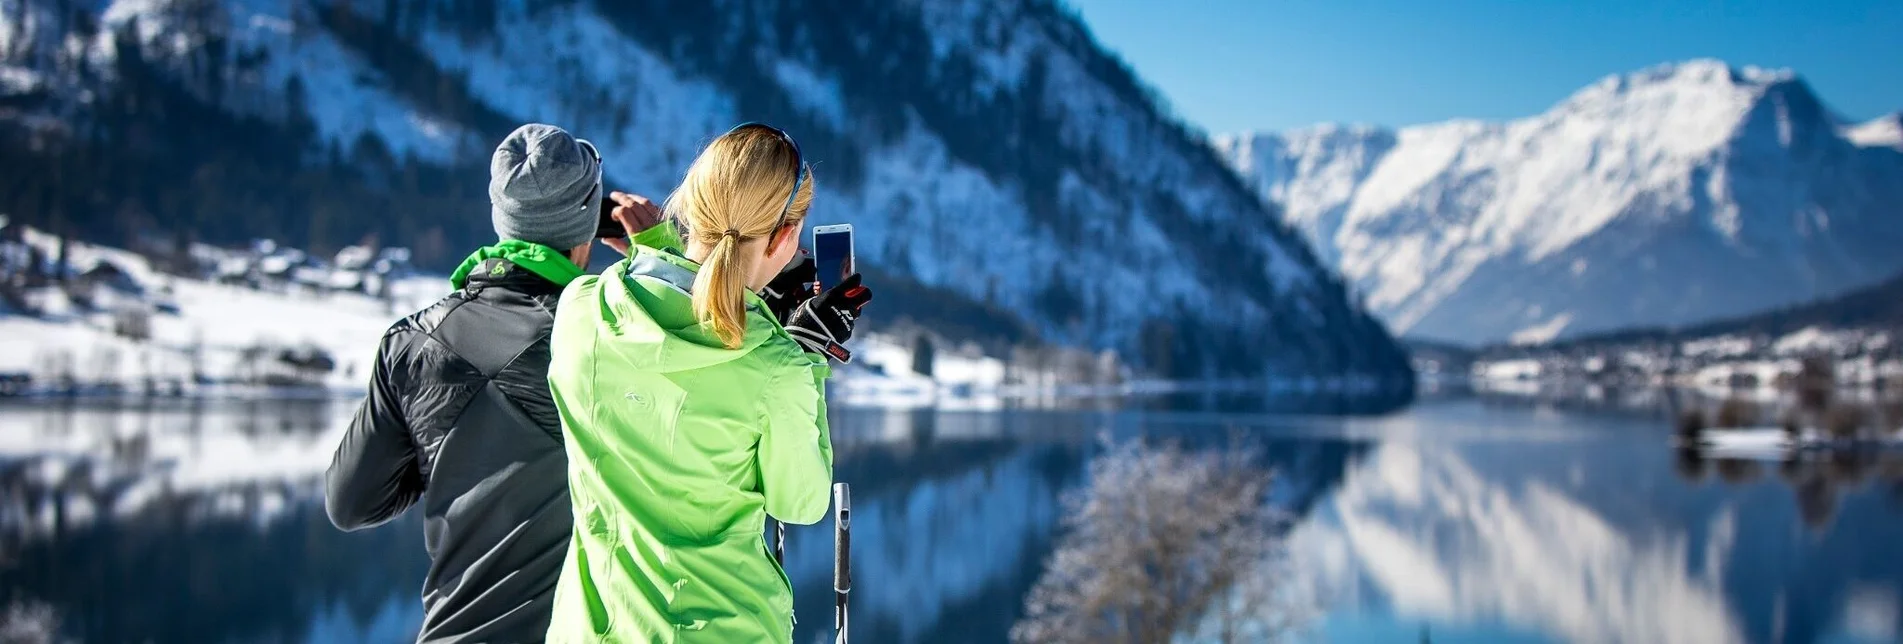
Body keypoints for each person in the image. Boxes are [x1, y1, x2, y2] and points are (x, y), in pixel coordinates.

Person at [324, 123, 663, 643]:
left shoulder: (412, 343)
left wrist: (440, 446)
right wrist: (664, 258)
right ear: (589, 225)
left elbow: (352, 504)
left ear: (500, 219)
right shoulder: (611, 338)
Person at [544, 123, 872, 643]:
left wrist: (660, 250)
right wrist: (805, 355)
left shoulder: (581, 312)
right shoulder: (776, 366)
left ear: (691, 207)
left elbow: (657, 313)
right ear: (787, 238)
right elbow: (800, 503)